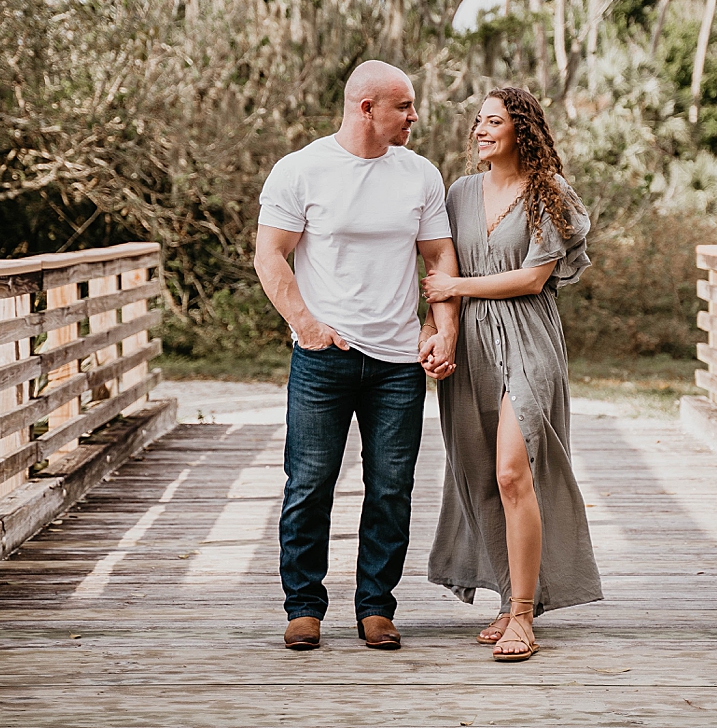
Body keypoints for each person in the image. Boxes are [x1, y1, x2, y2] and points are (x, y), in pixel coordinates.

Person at [254, 60, 460, 652]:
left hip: (398, 363)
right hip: (324, 359)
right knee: (309, 483)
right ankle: (303, 607)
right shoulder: (301, 170)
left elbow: (439, 259)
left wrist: (440, 328)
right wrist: (307, 326)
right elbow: (270, 255)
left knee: (391, 487)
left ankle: (375, 606)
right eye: (404, 105)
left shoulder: (420, 175)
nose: (414, 116)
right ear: (366, 108)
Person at [421, 86, 602, 662]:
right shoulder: (458, 193)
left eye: (493, 121)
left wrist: (455, 286)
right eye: (477, 121)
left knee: (511, 470)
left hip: (527, 339)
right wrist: (436, 331)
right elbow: (439, 270)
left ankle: (524, 615)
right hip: (471, 343)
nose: (479, 130)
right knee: (480, 473)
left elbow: (530, 279)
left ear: (520, 129)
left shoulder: (550, 193)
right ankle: (508, 596)